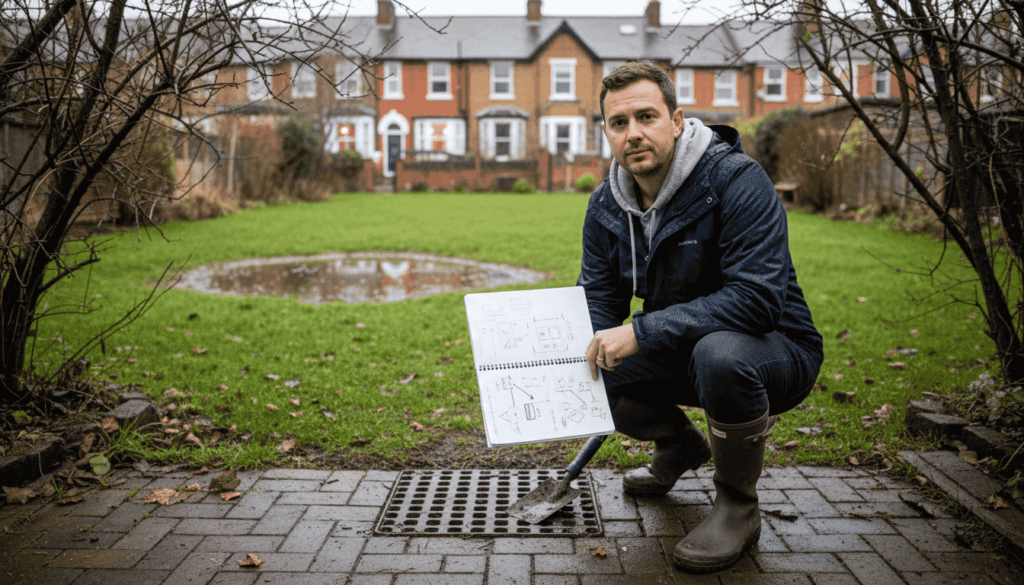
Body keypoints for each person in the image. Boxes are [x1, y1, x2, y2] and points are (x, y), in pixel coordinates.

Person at [579, 61, 824, 573]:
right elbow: (599, 301)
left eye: (647, 116)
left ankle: (737, 504)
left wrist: (641, 331)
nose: (634, 133)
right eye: (619, 123)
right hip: (681, 349)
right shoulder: (605, 205)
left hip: (773, 349)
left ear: (676, 119)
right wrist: (564, 348)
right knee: (588, 364)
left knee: (719, 355)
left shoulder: (735, 180)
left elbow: (756, 299)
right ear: (606, 132)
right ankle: (677, 445)